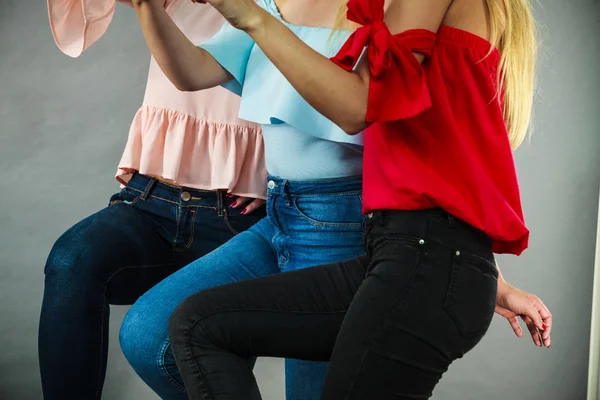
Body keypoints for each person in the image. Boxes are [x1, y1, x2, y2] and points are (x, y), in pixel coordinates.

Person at [161, 0, 554, 399]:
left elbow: (358, 106)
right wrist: (490, 276)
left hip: (425, 265)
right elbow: (457, 165)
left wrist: (251, 16)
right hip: (408, 254)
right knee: (198, 326)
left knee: (202, 326)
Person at [39, 1, 266, 399]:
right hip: (151, 199)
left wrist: (271, 171)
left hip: (238, 217)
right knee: (71, 259)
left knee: (201, 352)